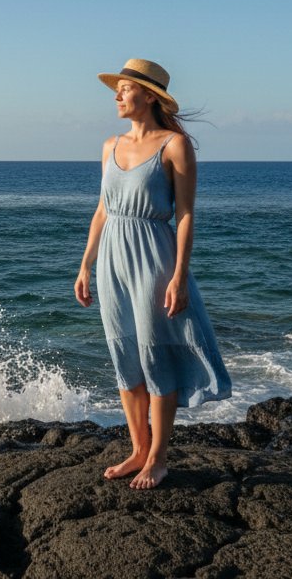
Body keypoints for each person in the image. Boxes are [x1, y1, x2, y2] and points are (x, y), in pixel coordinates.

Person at [75, 58, 231, 490]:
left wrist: (180, 274)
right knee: (124, 353)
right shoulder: (109, 146)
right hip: (112, 262)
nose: (117, 95)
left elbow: (184, 215)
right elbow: (103, 210)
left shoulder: (174, 145)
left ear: (150, 96)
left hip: (153, 261)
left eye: (125, 88)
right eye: (118, 88)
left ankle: (159, 459)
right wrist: (86, 264)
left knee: (154, 352)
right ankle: (138, 450)